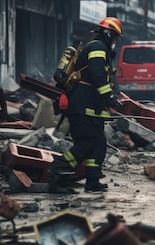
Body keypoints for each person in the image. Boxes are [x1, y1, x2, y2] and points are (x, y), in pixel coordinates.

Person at [48, 16, 123, 193]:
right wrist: (109, 96)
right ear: (109, 34)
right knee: (86, 144)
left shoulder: (100, 48)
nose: (115, 41)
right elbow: (97, 74)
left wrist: (111, 98)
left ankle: (93, 181)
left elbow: (100, 77)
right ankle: (57, 174)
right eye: (115, 37)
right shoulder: (98, 47)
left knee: (98, 144)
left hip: (90, 106)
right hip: (82, 106)